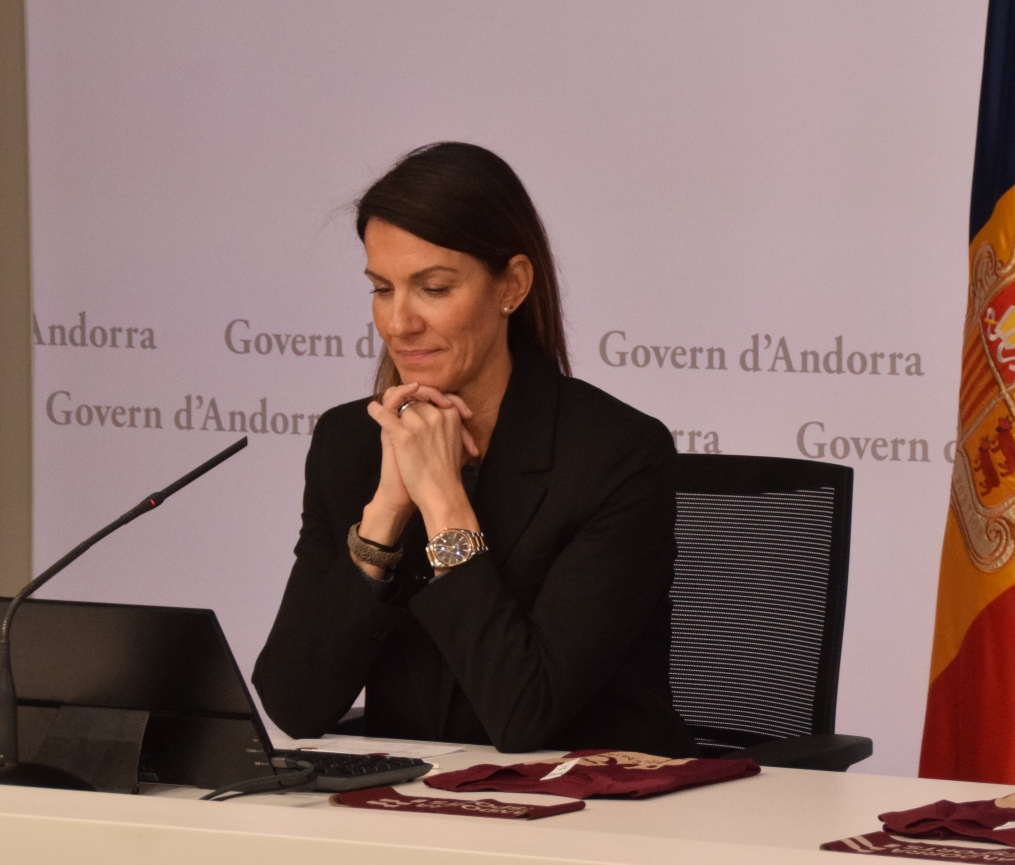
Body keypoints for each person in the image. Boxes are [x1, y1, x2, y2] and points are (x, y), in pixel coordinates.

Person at [254, 142, 695, 756]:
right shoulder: (349, 442)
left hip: (588, 797)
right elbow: (293, 704)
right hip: (419, 799)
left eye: (433, 288)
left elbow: (525, 717)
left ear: (511, 285)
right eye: (381, 289)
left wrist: (442, 500)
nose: (399, 323)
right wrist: (385, 514)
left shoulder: (618, 455)